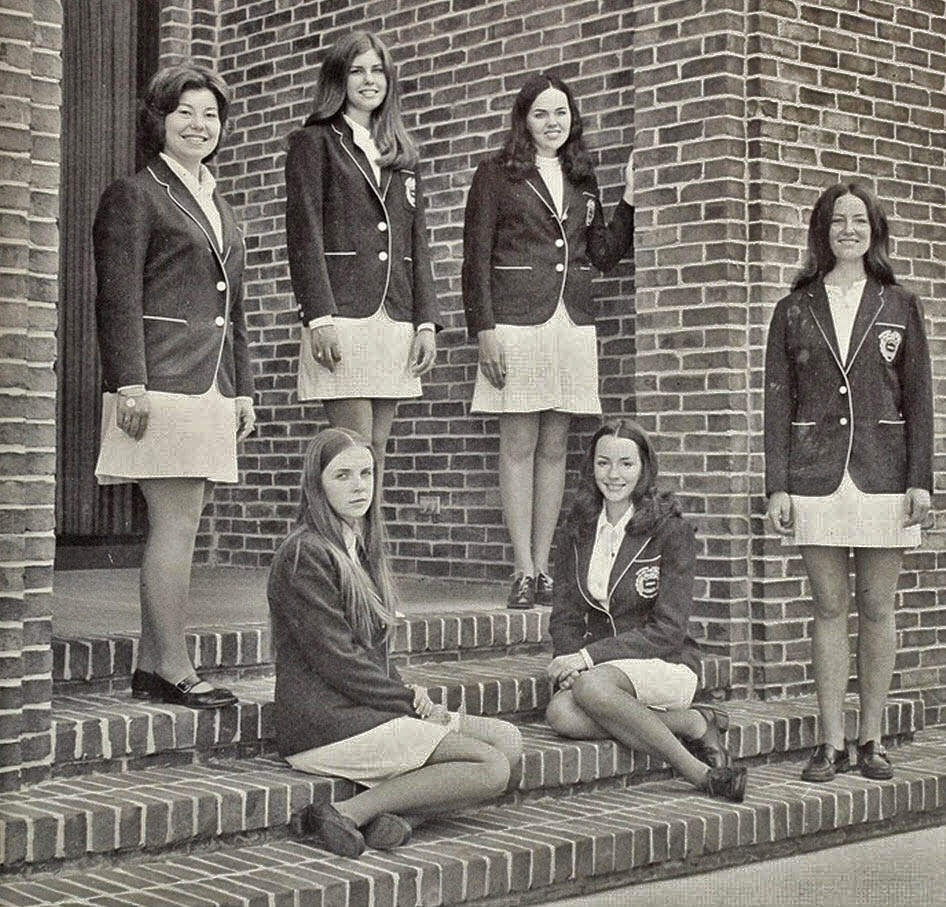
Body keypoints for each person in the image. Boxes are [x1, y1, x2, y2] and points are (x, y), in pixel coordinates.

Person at [268, 427, 523, 858]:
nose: (358, 486)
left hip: (362, 708)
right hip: (323, 722)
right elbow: (339, 661)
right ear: (316, 484)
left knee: (510, 741)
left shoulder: (358, 546)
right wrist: (406, 702)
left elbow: (372, 651)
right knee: (493, 766)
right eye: (343, 475)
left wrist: (410, 692)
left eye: (366, 473)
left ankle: (402, 817)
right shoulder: (304, 555)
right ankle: (343, 811)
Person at [92, 63, 255, 709]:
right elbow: (117, 297)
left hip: (209, 384)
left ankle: (149, 663)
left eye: (210, 114)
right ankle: (175, 668)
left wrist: (242, 389)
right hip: (159, 380)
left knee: (181, 523)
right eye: (185, 111)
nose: (199, 124)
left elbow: (234, 306)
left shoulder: (218, 202)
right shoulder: (135, 194)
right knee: (176, 524)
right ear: (159, 120)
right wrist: (129, 383)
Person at [764, 183, 933, 782]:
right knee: (829, 604)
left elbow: (917, 399)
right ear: (822, 232)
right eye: (838, 221)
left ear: (875, 232)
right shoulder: (794, 308)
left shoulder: (900, 303)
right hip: (815, 474)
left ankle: (873, 739)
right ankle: (831, 741)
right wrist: (777, 486)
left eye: (860, 220)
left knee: (877, 606)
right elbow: (777, 402)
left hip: (884, 472)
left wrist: (921, 481)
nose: (849, 230)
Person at [462, 72, 635, 609]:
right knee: (519, 445)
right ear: (524, 119)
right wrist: (483, 330)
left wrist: (629, 199)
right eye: (541, 113)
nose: (552, 123)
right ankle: (522, 569)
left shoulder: (584, 177)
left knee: (556, 448)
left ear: (572, 119)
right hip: (516, 320)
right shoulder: (496, 173)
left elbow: (603, 254)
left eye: (561, 113)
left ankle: (543, 571)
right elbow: (476, 257)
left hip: (570, 322)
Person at [544, 421, 747, 802]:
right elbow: (566, 614)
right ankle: (692, 723)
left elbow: (668, 629)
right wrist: (567, 662)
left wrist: (586, 659)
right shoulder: (577, 529)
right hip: (601, 672)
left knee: (592, 686)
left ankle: (702, 775)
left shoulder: (670, 531)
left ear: (644, 468)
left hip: (666, 661)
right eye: (603, 463)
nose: (614, 475)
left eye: (626, 464)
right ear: (591, 467)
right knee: (561, 714)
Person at [285, 31, 441, 483]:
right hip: (342, 315)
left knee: (377, 453)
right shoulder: (313, 143)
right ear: (339, 79)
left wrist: (425, 323)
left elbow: (418, 243)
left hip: (393, 316)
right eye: (357, 70)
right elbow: (304, 234)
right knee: (353, 449)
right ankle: (344, 552)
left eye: (377, 70)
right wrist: (319, 317)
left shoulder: (401, 154)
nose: (369, 80)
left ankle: (369, 554)